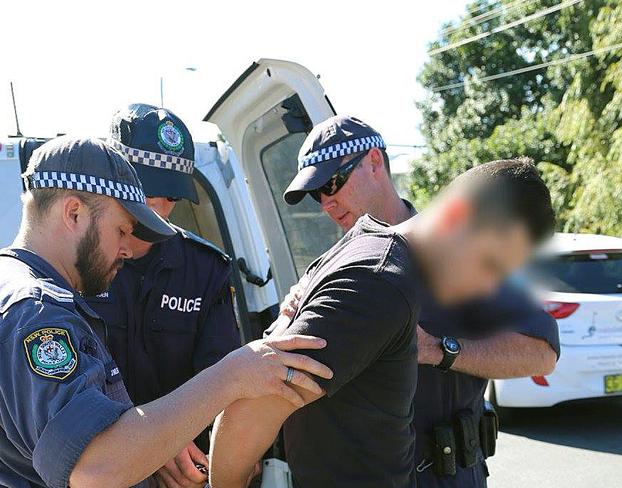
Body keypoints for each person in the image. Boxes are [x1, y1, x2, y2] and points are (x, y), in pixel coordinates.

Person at [208, 116, 557, 488]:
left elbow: (542, 353)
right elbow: (261, 392)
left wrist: (439, 350)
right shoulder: (356, 271)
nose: (327, 201)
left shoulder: (468, 252)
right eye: (316, 193)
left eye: (333, 183)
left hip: (451, 473)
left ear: (375, 162)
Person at [0, 136, 333, 488]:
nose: (127, 250)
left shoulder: (20, 288)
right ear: (74, 213)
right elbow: (96, 466)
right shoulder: (36, 313)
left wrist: (158, 441)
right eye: (121, 231)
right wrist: (232, 374)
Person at [84, 103, 240, 487]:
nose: (157, 206)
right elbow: (63, 387)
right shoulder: (74, 265)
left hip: (184, 474)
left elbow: (222, 379)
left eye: (170, 194)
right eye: (146, 189)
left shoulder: (207, 271)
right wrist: (153, 440)